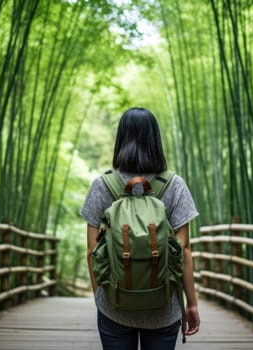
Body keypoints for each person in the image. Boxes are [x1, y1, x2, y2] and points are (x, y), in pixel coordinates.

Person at [80, 107, 200, 350]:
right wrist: (192, 303)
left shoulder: (102, 185)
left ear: (120, 139)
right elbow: (184, 249)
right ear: (155, 140)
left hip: (114, 307)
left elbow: (92, 251)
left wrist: (100, 298)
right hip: (164, 309)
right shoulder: (174, 186)